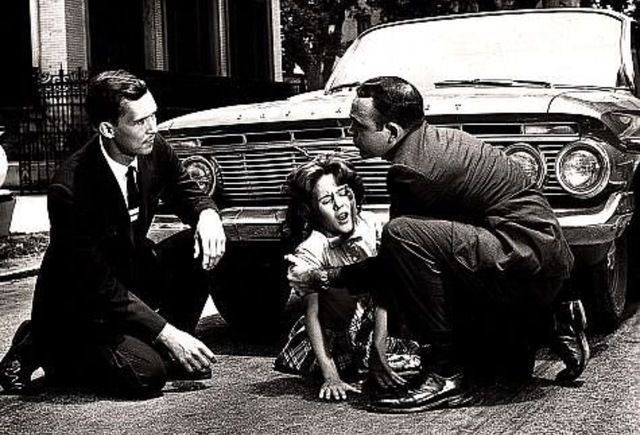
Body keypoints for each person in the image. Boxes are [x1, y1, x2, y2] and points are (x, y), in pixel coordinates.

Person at [288, 76, 589, 413]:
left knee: (401, 234)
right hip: (538, 258)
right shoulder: (431, 141)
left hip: (523, 261)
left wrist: (326, 277)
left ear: (391, 132)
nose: (351, 134)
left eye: (358, 126)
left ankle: (445, 375)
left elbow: (395, 261)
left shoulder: (411, 170)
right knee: (502, 372)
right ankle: (547, 320)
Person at [0, 70, 225, 398]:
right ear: (107, 129)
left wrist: (207, 215)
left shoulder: (153, 147)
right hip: (83, 302)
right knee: (146, 376)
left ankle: (173, 350)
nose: (153, 127)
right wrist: (166, 333)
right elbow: (99, 286)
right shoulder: (70, 189)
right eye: (140, 121)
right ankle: (43, 343)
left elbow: (185, 190)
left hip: (129, 275)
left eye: (154, 116)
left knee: (201, 244)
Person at [274, 155, 419, 401]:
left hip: (377, 323)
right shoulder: (312, 247)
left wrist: (379, 347)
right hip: (336, 335)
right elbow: (312, 315)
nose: (339, 205)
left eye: (343, 193)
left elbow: (384, 289)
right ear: (312, 212)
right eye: (326, 201)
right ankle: (344, 363)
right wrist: (330, 375)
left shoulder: (372, 225)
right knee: (339, 290)